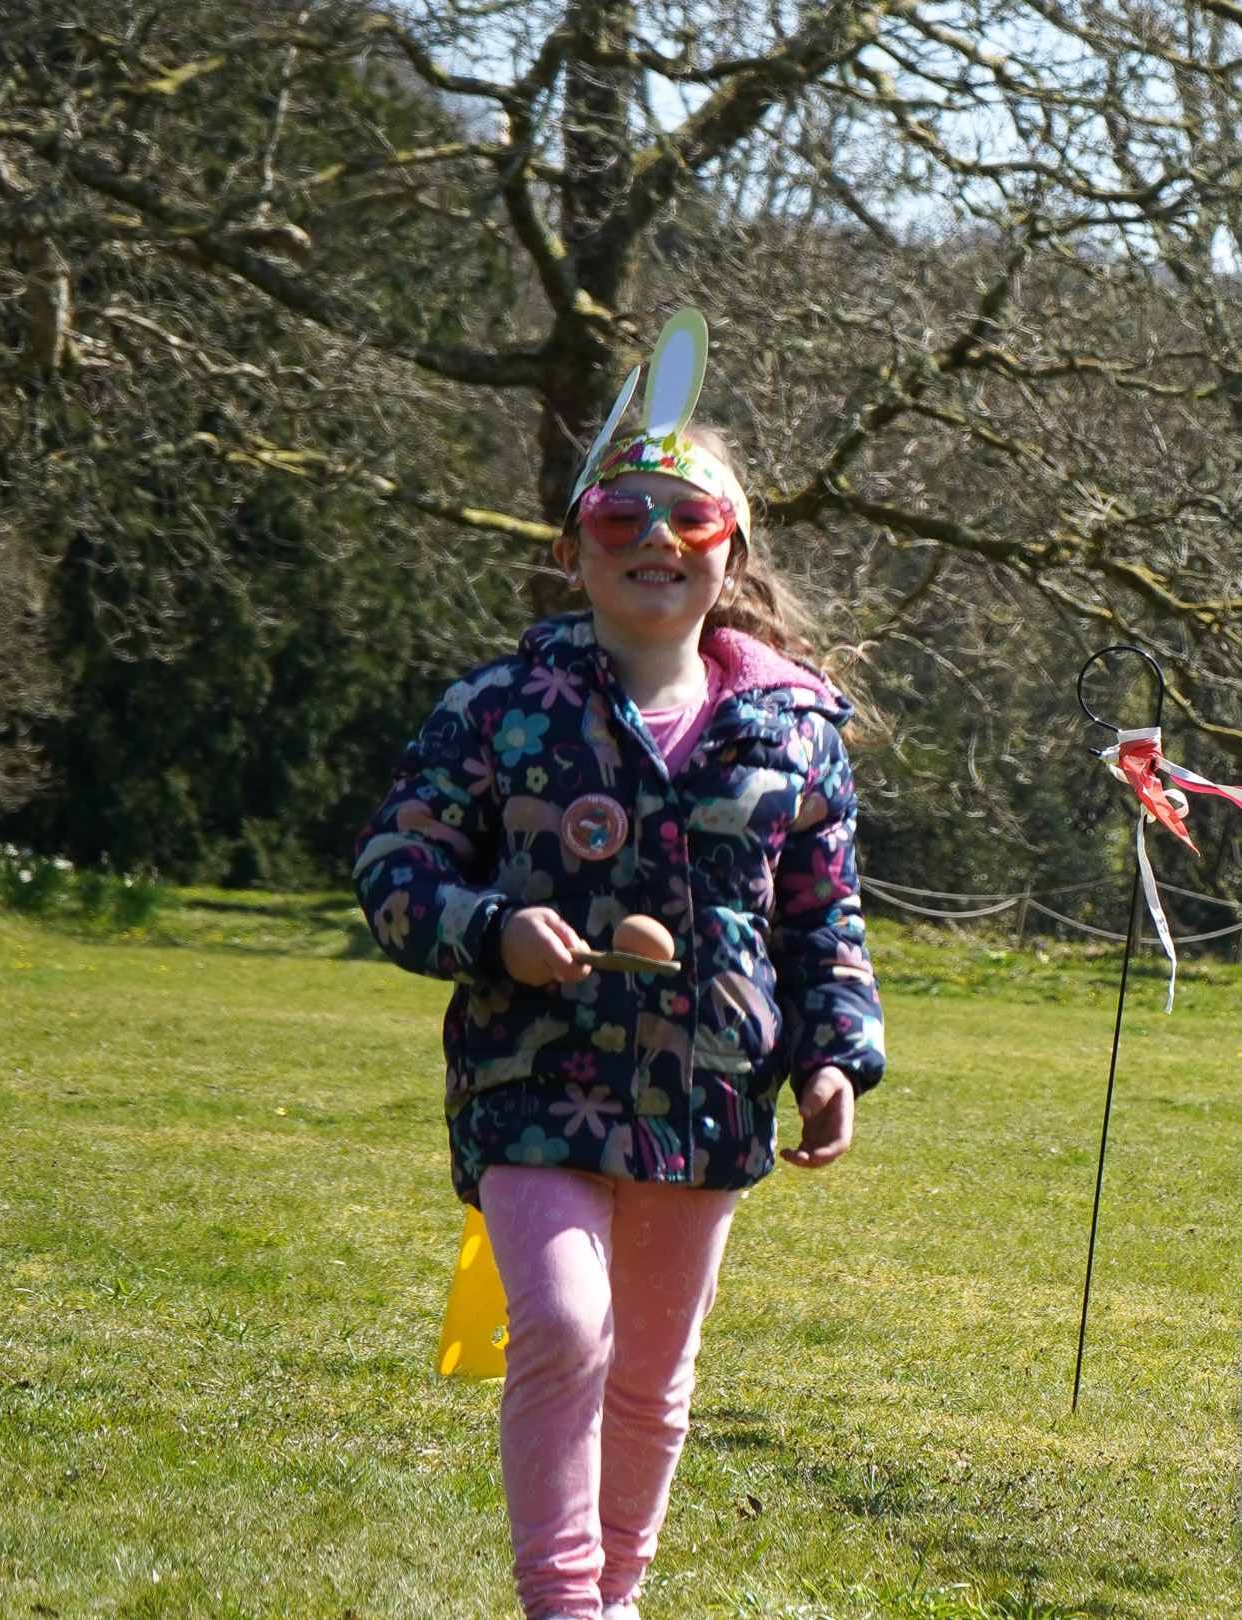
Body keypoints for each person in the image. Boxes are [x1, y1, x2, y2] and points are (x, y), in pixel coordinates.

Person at [355, 311, 885, 1620]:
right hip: (531, 1082)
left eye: (688, 518)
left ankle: (623, 1597)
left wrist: (832, 1055)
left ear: (733, 552)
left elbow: (825, 912)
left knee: (652, 1372)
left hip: (708, 1093)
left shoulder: (798, 733)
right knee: (565, 1330)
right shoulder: (498, 710)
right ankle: (566, 1605)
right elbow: (396, 867)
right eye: (620, 517)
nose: (655, 540)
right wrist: (490, 930)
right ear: (571, 548)